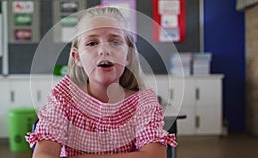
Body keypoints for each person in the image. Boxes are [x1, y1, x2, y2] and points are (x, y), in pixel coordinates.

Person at [26, 6, 177, 158]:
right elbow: (43, 155)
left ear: (127, 56)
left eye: (115, 42)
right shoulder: (63, 97)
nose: (104, 50)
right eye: (92, 43)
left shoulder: (143, 102)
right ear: (77, 57)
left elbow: (155, 156)